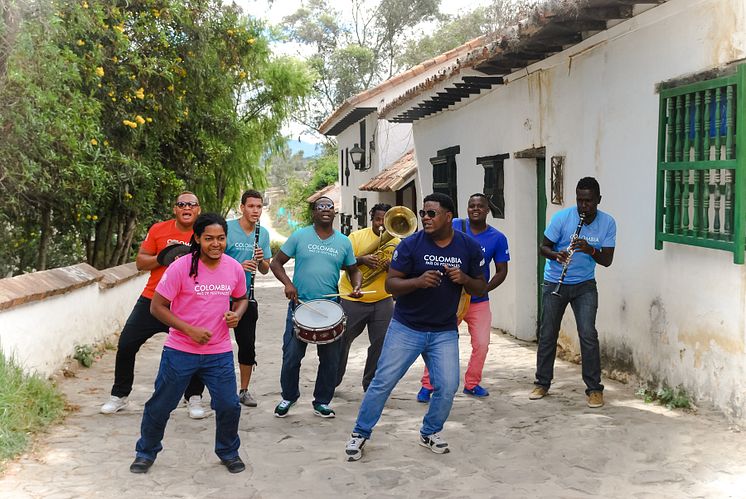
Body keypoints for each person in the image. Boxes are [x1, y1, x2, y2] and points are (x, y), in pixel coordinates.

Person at [344, 193, 486, 461]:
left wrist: (464, 277)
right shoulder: (410, 245)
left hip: (444, 330)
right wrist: (418, 282)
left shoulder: (468, 247)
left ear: (448, 217)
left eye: (432, 213)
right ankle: (360, 432)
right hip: (406, 327)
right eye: (423, 213)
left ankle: (430, 431)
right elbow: (391, 285)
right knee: (382, 382)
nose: (425, 218)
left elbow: (480, 285)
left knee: (447, 386)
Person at [130, 213, 248, 474]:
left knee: (229, 405)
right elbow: (156, 307)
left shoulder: (233, 267)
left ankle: (228, 451)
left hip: (219, 352)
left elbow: (242, 299)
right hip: (180, 350)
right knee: (161, 404)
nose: (215, 244)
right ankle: (146, 452)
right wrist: (188, 329)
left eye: (220, 238)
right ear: (197, 239)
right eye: (208, 239)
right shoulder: (181, 267)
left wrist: (235, 315)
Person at [100, 192, 206, 419]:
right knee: (127, 343)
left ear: (198, 209)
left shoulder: (204, 232)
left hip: (187, 302)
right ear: (175, 209)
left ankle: (194, 397)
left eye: (192, 204)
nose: (186, 207)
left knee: (196, 347)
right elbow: (140, 263)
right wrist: (163, 258)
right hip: (153, 299)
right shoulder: (159, 229)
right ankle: (119, 395)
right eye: (181, 204)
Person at [269, 196, 362, 419]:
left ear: (334, 213)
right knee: (291, 356)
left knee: (330, 360)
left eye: (330, 207)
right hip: (299, 307)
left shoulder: (343, 242)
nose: (325, 210)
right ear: (314, 212)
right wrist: (288, 284)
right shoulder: (300, 235)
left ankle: (322, 401)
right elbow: (276, 263)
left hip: (330, 309)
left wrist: (357, 285)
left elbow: (353, 270)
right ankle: (289, 396)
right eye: (320, 207)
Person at [530, 177, 616, 408]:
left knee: (588, 334)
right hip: (554, 282)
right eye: (580, 200)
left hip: (585, 284)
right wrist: (556, 255)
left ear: (598, 200)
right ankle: (542, 383)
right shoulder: (562, 218)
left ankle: (594, 389)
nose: (583, 206)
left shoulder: (608, 223)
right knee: (548, 333)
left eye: (588, 201)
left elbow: (607, 260)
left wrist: (590, 250)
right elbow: (543, 247)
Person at [418, 193, 509, 401]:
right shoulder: (454, 225)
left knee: (482, 344)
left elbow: (502, 271)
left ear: (488, 210)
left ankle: (472, 383)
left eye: (480, 206)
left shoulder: (497, 237)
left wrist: (484, 288)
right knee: (438, 341)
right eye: (471, 206)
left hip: (478, 300)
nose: (475, 209)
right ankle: (428, 384)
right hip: (449, 298)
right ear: (466, 209)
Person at [336, 203, 398, 392]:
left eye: (385, 220)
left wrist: (389, 266)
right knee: (342, 341)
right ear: (372, 219)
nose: (381, 224)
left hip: (382, 300)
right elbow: (340, 263)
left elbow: (402, 271)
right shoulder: (355, 237)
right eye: (378, 219)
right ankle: (333, 379)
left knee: (380, 343)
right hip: (352, 298)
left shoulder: (397, 242)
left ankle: (370, 383)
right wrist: (362, 260)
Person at [225, 190, 271, 407]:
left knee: (247, 346)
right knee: (207, 343)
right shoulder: (227, 228)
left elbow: (265, 270)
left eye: (259, 207)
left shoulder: (263, 234)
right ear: (242, 207)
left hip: (246, 296)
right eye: (251, 206)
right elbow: (212, 259)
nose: (255, 210)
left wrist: (261, 261)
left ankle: (243, 390)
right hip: (220, 294)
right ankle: (195, 392)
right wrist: (237, 266)